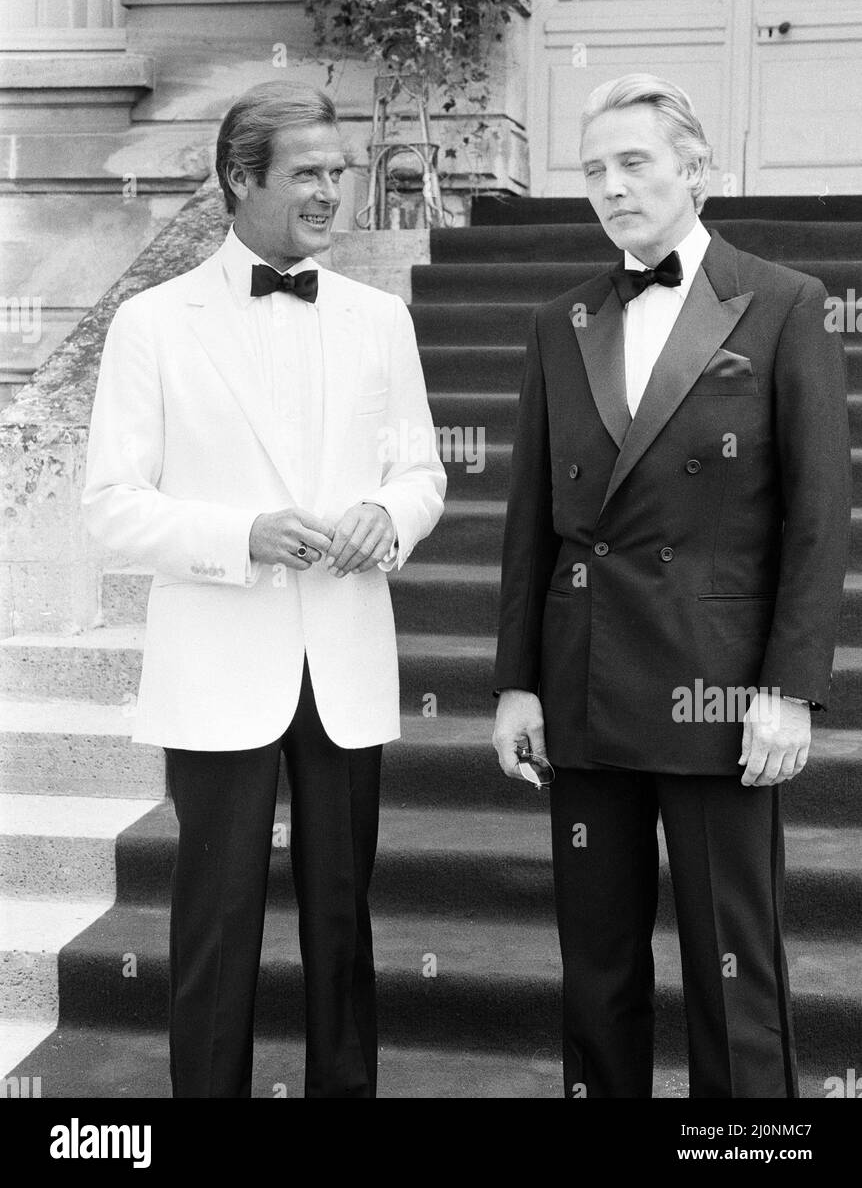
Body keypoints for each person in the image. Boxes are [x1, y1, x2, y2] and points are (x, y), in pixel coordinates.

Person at [82, 80, 446, 1099]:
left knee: (343, 920)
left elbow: (421, 471)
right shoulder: (153, 323)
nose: (334, 192)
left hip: (343, 660)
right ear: (239, 179)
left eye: (342, 171)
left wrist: (393, 513)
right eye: (309, 175)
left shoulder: (379, 319)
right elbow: (110, 505)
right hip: (217, 670)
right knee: (214, 926)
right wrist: (241, 534)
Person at [492, 74, 850, 1098]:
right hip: (586, 682)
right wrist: (517, 681)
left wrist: (787, 687)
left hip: (719, 689)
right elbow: (528, 519)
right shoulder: (558, 320)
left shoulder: (783, 302)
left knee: (732, 972)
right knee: (595, 967)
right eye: (593, 168)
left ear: (695, 170)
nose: (610, 185)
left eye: (633, 162)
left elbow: (817, 516)